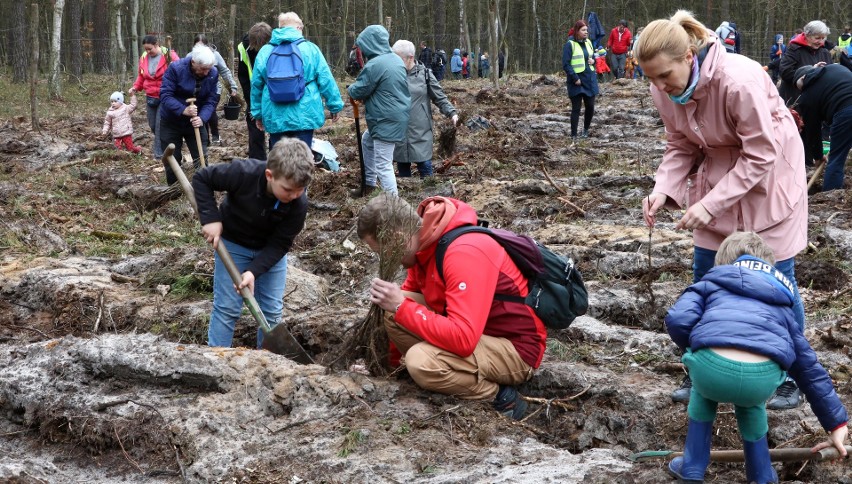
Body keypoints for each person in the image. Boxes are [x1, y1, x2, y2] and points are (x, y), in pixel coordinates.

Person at [636, 10, 809, 410]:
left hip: (769, 181)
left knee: (777, 282)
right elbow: (680, 143)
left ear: (688, 57)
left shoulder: (738, 80)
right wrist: (664, 189)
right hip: (718, 177)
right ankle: (705, 367)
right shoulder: (663, 89)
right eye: (651, 78)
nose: (660, 86)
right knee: (707, 277)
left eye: (665, 75)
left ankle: (788, 376)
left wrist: (708, 205)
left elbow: (761, 152)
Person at [664, 231, 849, 483]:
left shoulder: (710, 283)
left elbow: (677, 320)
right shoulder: (782, 305)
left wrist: (696, 345)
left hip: (711, 371)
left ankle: (692, 467)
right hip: (761, 379)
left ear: (724, 263)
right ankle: (761, 474)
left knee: (702, 388)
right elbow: (807, 368)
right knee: (751, 402)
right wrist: (837, 425)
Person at [357, 194, 547, 421]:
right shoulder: (424, 246)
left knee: (420, 360)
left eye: (382, 252)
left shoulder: (463, 252)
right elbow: (404, 311)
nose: (385, 260)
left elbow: (463, 339)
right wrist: (386, 370)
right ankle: (436, 371)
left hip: (515, 350)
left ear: (398, 238)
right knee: (392, 308)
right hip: (479, 334)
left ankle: (501, 397)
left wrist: (400, 307)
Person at [192, 138, 312, 348]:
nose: (293, 195)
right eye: (287, 190)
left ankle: (264, 363)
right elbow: (202, 178)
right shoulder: (242, 173)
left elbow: (280, 244)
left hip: (270, 254)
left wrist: (254, 271)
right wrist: (210, 218)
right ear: (269, 175)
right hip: (233, 246)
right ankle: (216, 360)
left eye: (299, 190)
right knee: (227, 307)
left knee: (271, 313)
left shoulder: (298, 204)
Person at [251, 11, 343, 150]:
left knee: (279, 159)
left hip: (275, 114)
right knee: (303, 158)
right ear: (299, 28)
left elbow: (256, 85)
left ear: (280, 28)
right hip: (305, 113)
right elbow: (326, 79)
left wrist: (258, 113)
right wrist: (334, 106)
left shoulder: (265, 51)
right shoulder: (310, 49)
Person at [346, 25, 410, 197]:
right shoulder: (395, 59)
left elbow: (360, 90)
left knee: (383, 163)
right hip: (394, 115)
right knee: (367, 142)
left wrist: (350, 88)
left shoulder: (376, 64)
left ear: (370, 43)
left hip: (385, 119)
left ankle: (394, 206)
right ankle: (369, 185)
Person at [391, 40, 459, 179]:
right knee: (403, 168)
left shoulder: (425, 74)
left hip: (420, 131)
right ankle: (406, 198)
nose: (394, 62)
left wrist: (452, 113)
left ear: (410, 57)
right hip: (399, 130)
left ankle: (429, 196)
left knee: (425, 167)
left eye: (398, 58)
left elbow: (439, 97)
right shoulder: (392, 75)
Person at [158, 45, 219, 186]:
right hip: (171, 120)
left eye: (208, 69)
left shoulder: (212, 73)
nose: (206, 72)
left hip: (195, 122)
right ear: (193, 62)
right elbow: (165, 95)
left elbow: (211, 99)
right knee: (173, 158)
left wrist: (202, 118)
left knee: (201, 156)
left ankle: (203, 189)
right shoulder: (176, 69)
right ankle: (174, 190)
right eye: (203, 69)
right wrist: (183, 110)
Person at [794, 64, 852, 191]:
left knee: (836, 159)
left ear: (802, 80)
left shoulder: (807, 96)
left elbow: (813, 131)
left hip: (845, 112)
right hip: (846, 109)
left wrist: (818, 157)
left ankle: (830, 196)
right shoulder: (835, 68)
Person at [129, 35, 179, 160]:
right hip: (150, 96)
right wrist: (135, 87)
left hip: (165, 96)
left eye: (150, 49)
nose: (148, 52)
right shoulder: (144, 57)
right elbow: (141, 75)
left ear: (157, 45)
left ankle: (159, 155)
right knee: (152, 125)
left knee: (159, 125)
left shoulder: (169, 55)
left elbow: (180, 71)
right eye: (146, 49)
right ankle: (169, 141)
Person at [193, 34, 239, 145]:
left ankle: (215, 134)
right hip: (198, 91)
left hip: (214, 89)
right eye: (197, 46)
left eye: (202, 45)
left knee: (210, 111)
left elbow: (224, 71)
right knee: (199, 113)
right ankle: (205, 139)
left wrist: (233, 86)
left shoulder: (215, 55)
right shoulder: (192, 57)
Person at [237, 22, 272, 161]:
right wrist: (251, 102)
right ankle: (257, 164)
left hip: (274, 94)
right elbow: (243, 76)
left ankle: (277, 162)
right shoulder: (243, 48)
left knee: (276, 130)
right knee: (255, 130)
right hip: (253, 92)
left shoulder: (277, 45)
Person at [562, 20, 599, 141]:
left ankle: (585, 130)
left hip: (589, 79)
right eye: (583, 30)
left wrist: (594, 61)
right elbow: (566, 64)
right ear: (577, 31)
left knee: (590, 106)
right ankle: (573, 135)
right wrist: (575, 77)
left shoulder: (589, 42)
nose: (586, 32)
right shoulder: (570, 44)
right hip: (576, 81)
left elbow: (593, 57)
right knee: (576, 108)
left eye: (587, 30)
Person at [779, 20, 832, 103]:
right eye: (817, 38)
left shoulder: (824, 52)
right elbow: (785, 72)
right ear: (807, 35)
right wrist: (810, 73)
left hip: (816, 100)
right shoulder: (795, 49)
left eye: (823, 38)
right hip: (795, 99)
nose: (820, 42)